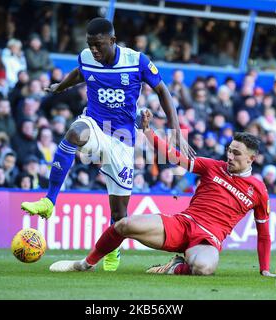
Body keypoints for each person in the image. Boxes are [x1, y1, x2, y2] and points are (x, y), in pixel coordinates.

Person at [21, 17, 194, 272]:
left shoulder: (136, 61)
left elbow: (163, 91)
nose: (93, 50)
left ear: (112, 41)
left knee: (119, 215)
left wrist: (176, 131)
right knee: (74, 132)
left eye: (99, 45)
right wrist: (60, 87)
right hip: (95, 125)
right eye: (90, 45)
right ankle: (49, 200)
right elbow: (81, 73)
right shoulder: (87, 57)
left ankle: (114, 250)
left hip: (122, 141)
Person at [47, 109, 276, 278]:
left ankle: (176, 266)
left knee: (204, 269)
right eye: (229, 150)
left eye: (236, 153)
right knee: (123, 225)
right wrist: (147, 131)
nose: (230, 156)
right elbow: (174, 156)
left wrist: (265, 269)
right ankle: (85, 264)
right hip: (182, 224)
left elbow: (263, 233)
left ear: (251, 159)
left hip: (207, 240)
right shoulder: (211, 166)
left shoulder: (258, 191)